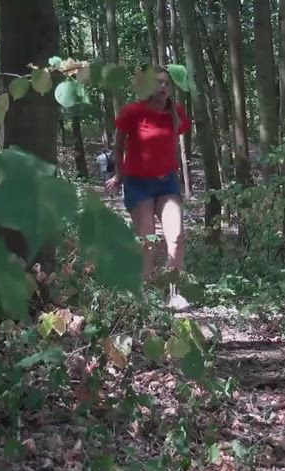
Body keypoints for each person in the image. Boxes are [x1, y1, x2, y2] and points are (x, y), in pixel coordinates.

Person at [105, 65, 191, 310]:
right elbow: (119, 145)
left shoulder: (176, 113)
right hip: (138, 183)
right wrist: (119, 175)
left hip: (167, 182)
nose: (164, 86)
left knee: (176, 235)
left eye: (167, 83)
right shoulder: (132, 112)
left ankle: (174, 292)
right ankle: (149, 294)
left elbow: (172, 142)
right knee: (146, 240)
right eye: (158, 82)